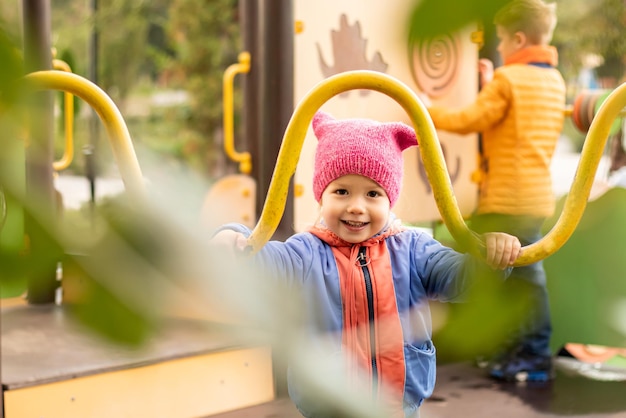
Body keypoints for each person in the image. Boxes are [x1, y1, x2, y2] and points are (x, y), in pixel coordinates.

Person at [211, 111, 522, 417]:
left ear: (390, 200)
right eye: (341, 191)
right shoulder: (305, 252)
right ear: (322, 197)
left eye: (373, 193)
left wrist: (489, 260)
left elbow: (461, 281)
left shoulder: (413, 248)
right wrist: (234, 239)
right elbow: (263, 264)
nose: (356, 207)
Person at [420, 0, 566, 382]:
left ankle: (533, 354)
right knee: (520, 277)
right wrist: (491, 81)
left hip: (507, 197)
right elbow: (515, 123)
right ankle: (518, 352)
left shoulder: (509, 81)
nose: (499, 48)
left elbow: (471, 120)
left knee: (519, 279)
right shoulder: (553, 80)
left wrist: (424, 110)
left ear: (518, 39)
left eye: (501, 41)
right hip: (535, 196)